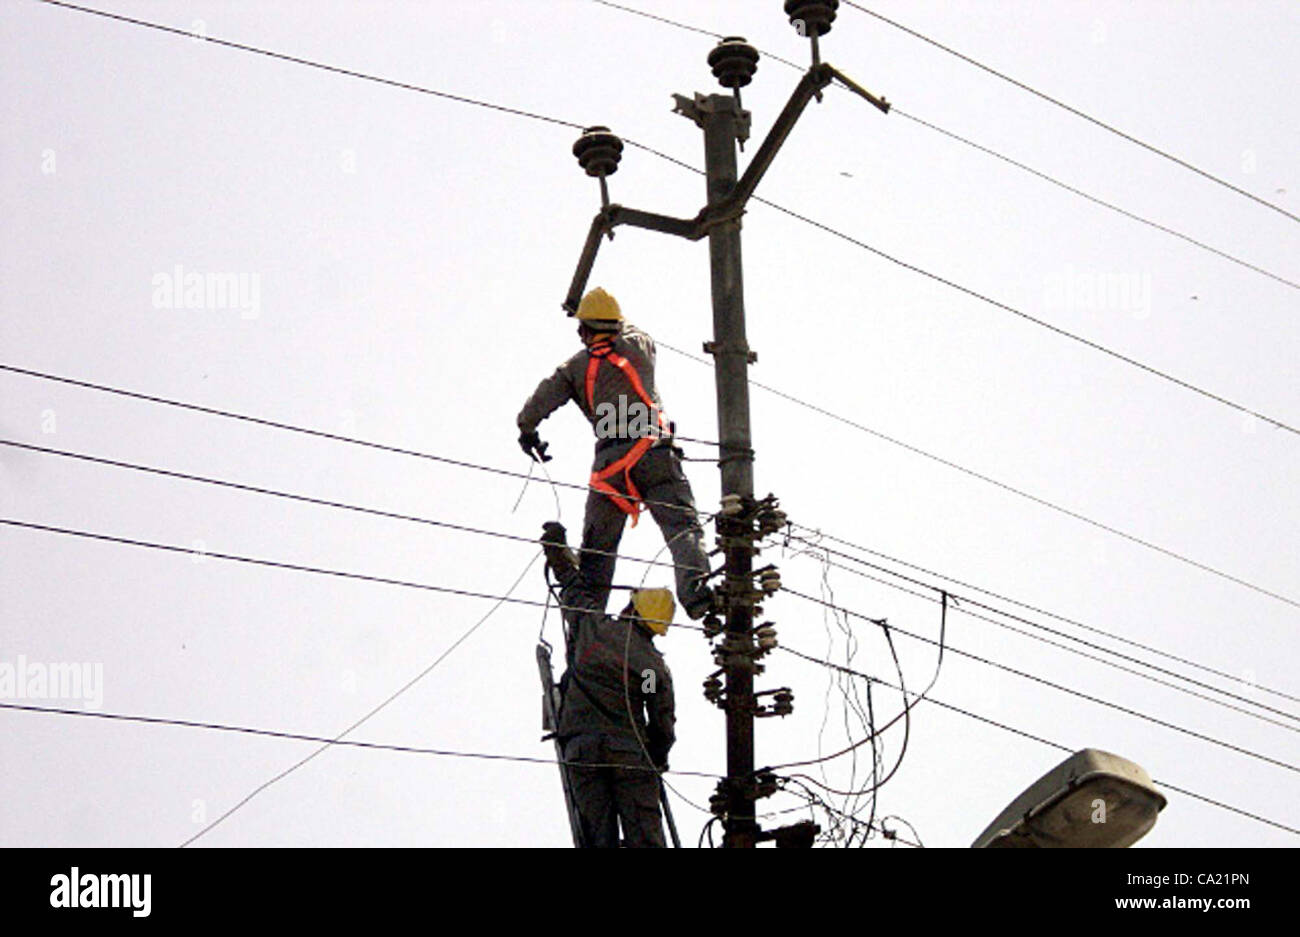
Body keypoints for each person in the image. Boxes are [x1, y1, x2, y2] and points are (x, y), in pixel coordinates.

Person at [517, 286, 714, 619]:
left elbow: (542, 397)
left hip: (609, 469)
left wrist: (527, 431)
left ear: (584, 331)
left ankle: (589, 626)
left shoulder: (575, 368)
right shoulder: (641, 347)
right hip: (652, 455)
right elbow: (625, 329)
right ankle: (697, 597)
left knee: (597, 553)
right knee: (682, 527)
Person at [542, 522, 675, 848]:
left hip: (583, 750)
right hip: (629, 755)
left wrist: (558, 554)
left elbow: (572, 591)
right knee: (644, 837)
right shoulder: (649, 667)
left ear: (632, 608)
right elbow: (656, 718)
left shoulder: (592, 628)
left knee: (597, 837)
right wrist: (656, 755)